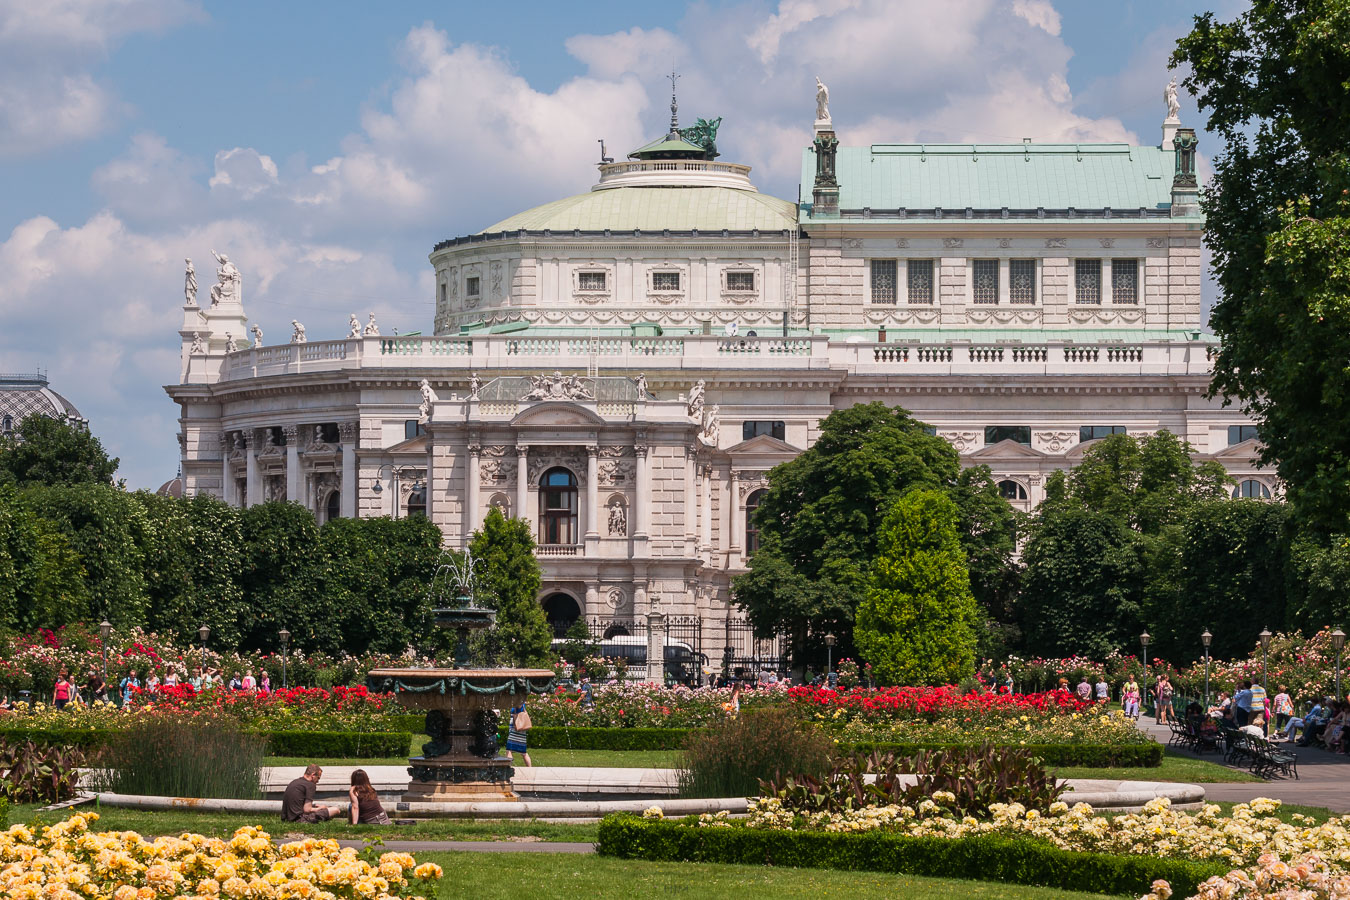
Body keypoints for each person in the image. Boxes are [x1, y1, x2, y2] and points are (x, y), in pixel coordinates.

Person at [505, 702, 532, 767]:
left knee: (509, 750)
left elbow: (519, 705)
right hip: (520, 731)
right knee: (523, 752)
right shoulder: (522, 704)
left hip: (516, 730)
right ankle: (530, 768)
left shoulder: (519, 703)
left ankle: (509, 766)